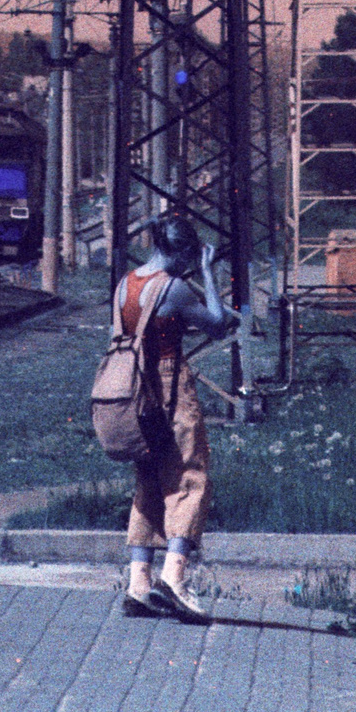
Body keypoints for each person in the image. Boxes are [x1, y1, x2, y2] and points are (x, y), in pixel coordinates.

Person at [116, 214, 241, 621]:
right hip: (169, 385)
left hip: (134, 390)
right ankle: (174, 578)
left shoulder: (126, 284)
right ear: (184, 251)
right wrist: (208, 272)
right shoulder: (174, 288)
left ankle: (138, 584)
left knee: (149, 481)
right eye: (191, 256)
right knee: (189, 477)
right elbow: (218, 325)